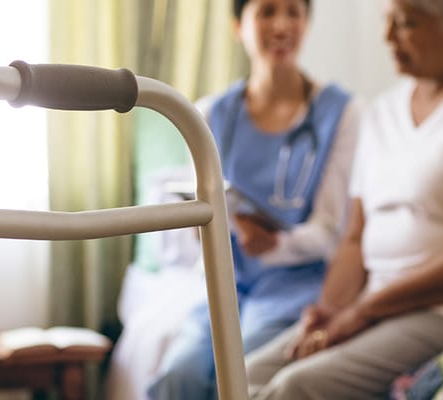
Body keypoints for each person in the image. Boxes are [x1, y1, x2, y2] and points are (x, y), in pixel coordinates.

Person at [244, 0, 443, 398]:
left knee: (299, 387)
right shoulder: (383, 111)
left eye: (406, 23)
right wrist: (331, 310)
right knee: (245, 374)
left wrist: (365, 311)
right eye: (387, 22)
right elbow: (356, 236)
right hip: (389, 300)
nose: (387, 37)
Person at [147, 0, 362, 399]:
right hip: (221, 280)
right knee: (178, 377)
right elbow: (190, 232)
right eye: (266, 12)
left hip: (295, 286)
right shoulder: (210, 114)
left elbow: (331, 229)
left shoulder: (342, 114)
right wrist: (202, 227)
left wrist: (277, 244)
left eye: (293, 13)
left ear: (307, 24)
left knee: (241, 372)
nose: (281, 25)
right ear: (238, 27)